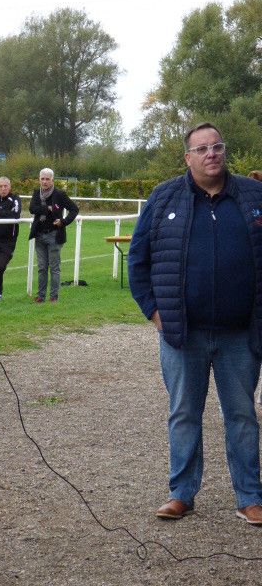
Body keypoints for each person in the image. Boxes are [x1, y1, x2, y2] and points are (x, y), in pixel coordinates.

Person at [128, 122, 262, 524]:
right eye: (201, 149)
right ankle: (181, 493)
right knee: (184, 414)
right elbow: (138, 260)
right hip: (182, 333)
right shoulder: (164, 197)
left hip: (240, 334)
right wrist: (155, 313)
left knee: (242, 415)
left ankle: (250, 497)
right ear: (187, 158)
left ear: (224, 152)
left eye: (217, 146)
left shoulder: (254, 196)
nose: (211, 154)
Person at [28, 168, 78, 303]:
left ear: (52, 180)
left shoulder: (59, 194)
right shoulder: (36, 193)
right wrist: (47, 208)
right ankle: (41, 296)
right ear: (39, 180)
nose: (44, 182)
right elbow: (32, 209)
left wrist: (63, 221)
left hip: (54, 235)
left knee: (54, 268)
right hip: (39, 235)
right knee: (41, 268)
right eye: (42, 179)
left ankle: (53, 297)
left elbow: (74, 209)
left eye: (47, 179)